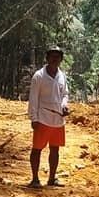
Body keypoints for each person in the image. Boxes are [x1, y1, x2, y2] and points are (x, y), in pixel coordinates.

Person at [27, 46, 69, 187]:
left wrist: (64, 105)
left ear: (61, 59)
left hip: (58, 119)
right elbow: (33, 98)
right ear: (47, 58)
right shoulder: (39, 76)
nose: (55, 59)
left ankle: (52, 178)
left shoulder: (62, 76)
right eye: (52, 56)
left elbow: (65, 94)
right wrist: (34, 118)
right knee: (37, 148)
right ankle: (35, 179)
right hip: (43, 117)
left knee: (55, 149)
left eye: (57, 57)